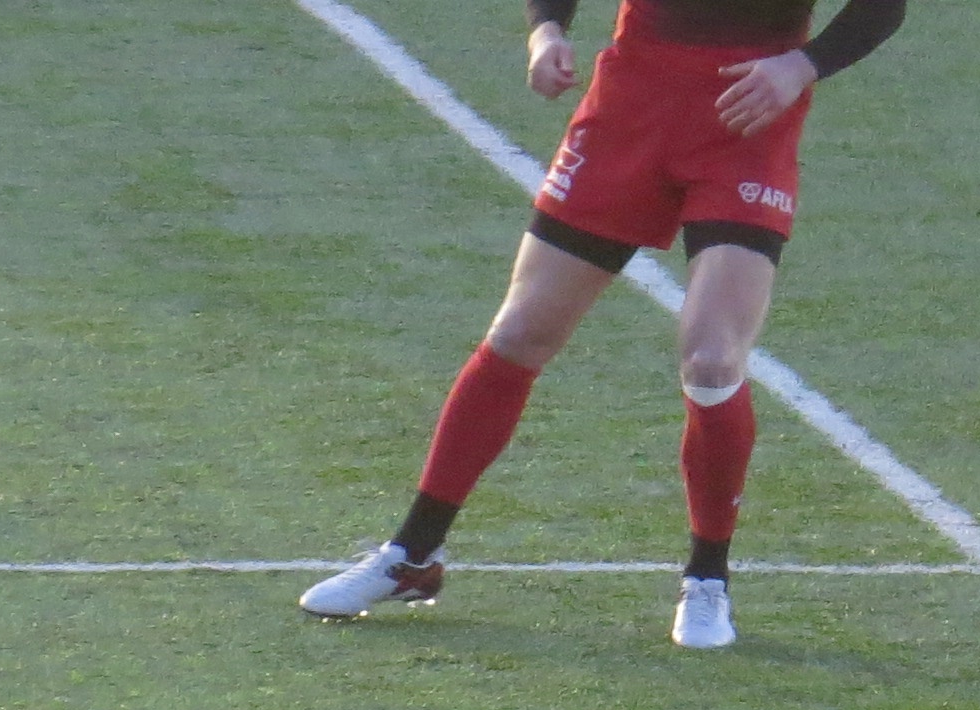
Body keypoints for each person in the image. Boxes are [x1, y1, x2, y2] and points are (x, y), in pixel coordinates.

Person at [297, 0, 912, 651]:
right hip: (629, 110)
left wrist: (803, 65)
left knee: (711, 361)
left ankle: (707, 579)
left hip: (744, 119)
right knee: (519, 334)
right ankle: (412, 555)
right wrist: (546, 32)